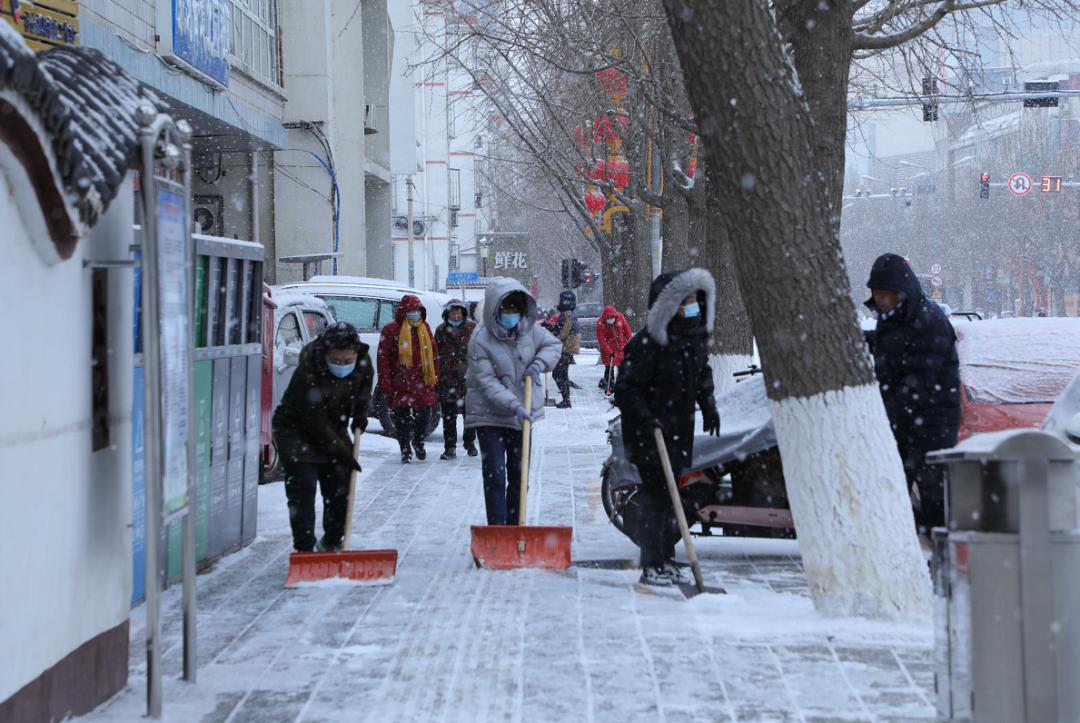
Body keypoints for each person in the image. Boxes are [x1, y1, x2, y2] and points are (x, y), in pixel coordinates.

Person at [614, 269, 720, 587]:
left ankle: (665, 557)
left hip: (677, 430)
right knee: (657, 498)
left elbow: (701, 374)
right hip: (651, 434)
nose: (692, 306)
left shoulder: (692, 337)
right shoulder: (647, 343)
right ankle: (652, 563)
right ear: (668, 305)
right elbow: (627, 388)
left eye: (693, 299)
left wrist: (709, 405)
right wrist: (647, 418)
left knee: (673, 497)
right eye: (685, 300)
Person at [865, 253, 960, 534]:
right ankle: (900, 546)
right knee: (892, 489)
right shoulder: (893, 317)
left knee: (934, 495)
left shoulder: (929, 322)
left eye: (886, 294)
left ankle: (941, 558)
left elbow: (919, 380)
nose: (881, 300)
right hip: (905, 420)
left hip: (932, 423)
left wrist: (883, 413)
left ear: (902, 292)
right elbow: (893, 352)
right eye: (877, 293)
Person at [465, 279, 562, 525]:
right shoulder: (480, 339)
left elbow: (553, 345)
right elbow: (487, 383)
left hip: (521, 416)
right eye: (505, 310)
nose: (510, 316)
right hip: (489, 415)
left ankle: (515, 528)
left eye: (514, 310)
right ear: (494, 310)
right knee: (495, 476)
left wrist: (539, 363)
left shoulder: (529, 330)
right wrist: (515, 406)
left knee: (519, 476)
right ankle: (498, 532)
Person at [272, 322, 373, 553]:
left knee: (340, 487)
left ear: (356, 353)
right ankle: (305, 550)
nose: (343, 365)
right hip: (296, 430)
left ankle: (332, 541)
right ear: (326, 352)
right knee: (303, 489)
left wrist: (360, 416)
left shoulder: (363, 363)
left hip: (334, 427)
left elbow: (363, 393)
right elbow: (313, 420)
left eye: (348, 361)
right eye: (337, 361)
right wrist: (343, 452)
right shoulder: (308, 369)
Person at [377, 294, 440, 463]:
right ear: (404, 311)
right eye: (411, 310)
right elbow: (383, 358)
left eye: (417, 310)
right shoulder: (391, 329)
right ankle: (405, 448)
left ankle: (418, 441)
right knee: (401, 418)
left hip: (422, 380)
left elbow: (433, 353)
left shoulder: (424, 327)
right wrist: (385, 381)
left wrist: (435, 375)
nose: (414, 313)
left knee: (425, 414)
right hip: (400, 382)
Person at [434, 299, 478, 460]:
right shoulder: (441, 330)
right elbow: (435, 354)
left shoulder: (472, 328)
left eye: (459, 311)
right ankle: (450, 447)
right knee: (449, 416)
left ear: (463, 313)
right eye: (453, 311)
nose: (456, 314)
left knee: (470, 415)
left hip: (469, 379)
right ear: (447, 313)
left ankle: (470, 442)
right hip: (447, 380)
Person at [549, 290, 582, 408]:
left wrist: (554, 338)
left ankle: (566, 400)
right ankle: (566, 400)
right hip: (568, 349)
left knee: (557, 374)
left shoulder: (567, 314)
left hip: (565, 348)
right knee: (563, 374)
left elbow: (564, 331)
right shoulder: (570, 313)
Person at [596, 304, 632, 395]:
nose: (611, 319)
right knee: (609, 370)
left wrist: (631, 343)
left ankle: (623, 388)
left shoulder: (620, 317)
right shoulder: (600, 324)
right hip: (608, 350)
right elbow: (601, 340)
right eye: (609, 317)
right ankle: (609, 389)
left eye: (612, 317)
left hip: (621, 347)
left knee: (623, 369)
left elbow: (627, 331)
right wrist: (609, 351)